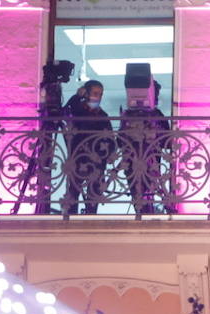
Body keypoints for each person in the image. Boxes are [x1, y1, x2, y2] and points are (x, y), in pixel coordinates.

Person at [120, 79, 173, 215]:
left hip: (151, 159)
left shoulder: (157, 115)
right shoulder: (128, 115)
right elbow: (120, 140)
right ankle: (141, 213)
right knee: (137, 192)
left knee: (149, 189)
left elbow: (167, 140)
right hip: (133, 161)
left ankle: (147, 212)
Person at [60, 80, 114, 215]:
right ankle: (70, 221)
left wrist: (106, 154)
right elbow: (64, 113)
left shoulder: (103, 116)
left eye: (100, 94)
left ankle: (91, 218)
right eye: (95, 93)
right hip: (78, 159)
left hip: (97, 162)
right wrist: (77, 96)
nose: (98, 97)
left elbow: (111, 139)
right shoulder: (78, 109)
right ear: (86, 93)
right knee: (73, 192)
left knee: (93, 195)